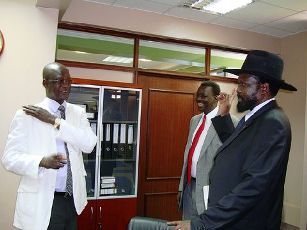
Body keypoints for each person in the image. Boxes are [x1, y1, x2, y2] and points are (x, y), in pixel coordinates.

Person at [168, 50, 297, 230]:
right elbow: (236, 149)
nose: (238, 91)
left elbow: (253, 186)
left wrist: (203, 222)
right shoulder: (255, 117)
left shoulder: (273, 123)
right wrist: (223, 117)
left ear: (263, 89)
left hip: (246, 222)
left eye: (243, 85)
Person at [2, 62, 97, 230]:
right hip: (43, 199)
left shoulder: (78, 113)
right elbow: (9, 158)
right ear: (45, 83)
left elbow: (89, 144)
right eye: (59, 81)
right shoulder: (27, 115)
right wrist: (41, 161)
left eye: (69, 81)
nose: (66, 86)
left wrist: (55, 121)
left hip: (72, 200)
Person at [178, 81, 237, 220]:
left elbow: (232, 155)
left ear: (216, 98)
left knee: (206, 225)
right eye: (198, 95)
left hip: (209, 191)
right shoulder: (194, 120)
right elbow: (189, 155)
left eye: (204, 96)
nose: (199, 99)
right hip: (189, 188)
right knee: (187, 226)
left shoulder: (229, 122)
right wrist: (181, 187)